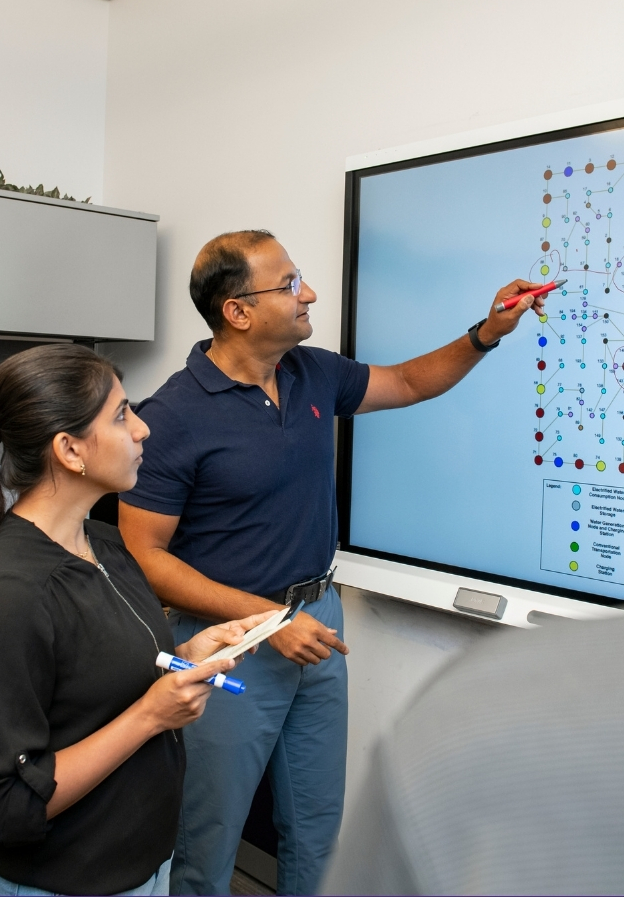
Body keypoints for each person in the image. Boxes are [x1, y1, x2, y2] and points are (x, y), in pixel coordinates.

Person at [118, 229, 545, 895]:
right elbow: (144, 558)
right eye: (288, 284)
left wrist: (486, 332)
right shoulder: (172, 414)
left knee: (317, 827)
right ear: (237, 311)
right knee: (209, 836)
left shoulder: (311, 371)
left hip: (319, 620)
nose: (308, 292)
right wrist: (268, 619)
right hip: (228, 642)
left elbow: (405, 381)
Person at [0, 343, 274, 897]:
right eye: (121, 415)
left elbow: (98, 685)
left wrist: (185, 659)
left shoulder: (105, 545)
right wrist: (151, 716)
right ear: (69, 449)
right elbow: (7, 808)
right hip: (66, 880)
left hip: (138, 864)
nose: (143, 431)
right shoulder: (13, 593)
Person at [321, 614, 624, 895]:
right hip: (288, 621)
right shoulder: (457, 726)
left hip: (320, 607)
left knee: (316, 827)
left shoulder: (460, 706)